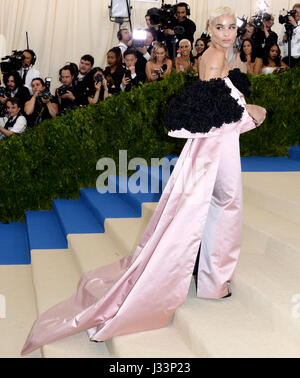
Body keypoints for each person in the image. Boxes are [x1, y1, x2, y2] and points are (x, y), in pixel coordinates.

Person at [21, 7, 266, 356]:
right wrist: (249, 115)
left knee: (215, 207)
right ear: (209, 30)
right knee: (225, 206)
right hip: (216, 146)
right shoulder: (213, 57)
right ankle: (214, 281)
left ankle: (213, 276)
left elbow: (221, 103)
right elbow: (212, 114)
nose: (226, 33)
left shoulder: (219, 55)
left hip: (219, 144)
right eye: (219, 27)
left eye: (231, 27)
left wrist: (244, 109)